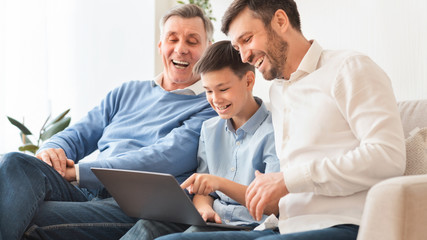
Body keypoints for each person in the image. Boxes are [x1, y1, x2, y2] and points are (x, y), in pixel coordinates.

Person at [157, 0, 406, 240]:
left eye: (247, 40)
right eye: (237, 47)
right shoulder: (278, 91)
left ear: (280, 21)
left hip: (344, 224)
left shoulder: (349, 68)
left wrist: (290, 180)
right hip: (283, 226)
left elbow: (388, 156)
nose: (244, 57)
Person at [0, 4, 217, 240]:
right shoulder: (126, 92)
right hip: (88, 192)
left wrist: (80, 173)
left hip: (136, 205)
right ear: (160, 46)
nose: (180, 49)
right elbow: (79, 133)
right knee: (14, 163)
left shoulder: (210, 106)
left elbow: (160, 159)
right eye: (172, 39)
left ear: (209, 49)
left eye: (192, 41)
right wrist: (52, 150)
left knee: (26, 211)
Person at [121, 40, 280, 240]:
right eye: (208, 91)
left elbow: (272, 203)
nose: (215, 99)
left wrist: (219, 183)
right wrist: (204, 209)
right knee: (148, 226)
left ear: (249, 81)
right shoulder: (210, 129)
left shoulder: (275, 130)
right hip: (214, 221)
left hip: (253, 226)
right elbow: (203, 191)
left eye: (223, 89)